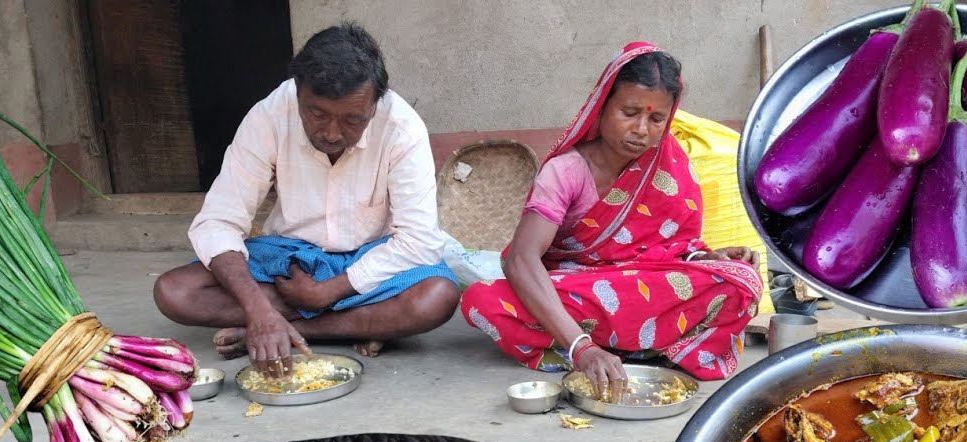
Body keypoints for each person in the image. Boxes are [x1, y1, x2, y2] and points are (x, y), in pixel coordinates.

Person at [459, 42, 764, 399]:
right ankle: (599, 349)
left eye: (656, 119)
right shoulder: (566, 171)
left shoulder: (669, 163)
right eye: (630, 112)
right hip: (580, 291)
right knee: (483, 300)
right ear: (602, 107)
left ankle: (622, 347)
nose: (641, 130)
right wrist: (581, 348)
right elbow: (520, 260)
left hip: (646, 288)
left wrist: (706, 259)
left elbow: (674, 248)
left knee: (742, 279)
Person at [153, 23, 460, 375]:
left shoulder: (402, 127)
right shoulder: (270, 115)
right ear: (297, 92)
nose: (331, 133)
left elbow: (418, 240)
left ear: (375, 106)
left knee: (438, 297)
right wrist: (257, 310)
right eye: (317, 114)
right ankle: (359, 323)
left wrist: (328, 292)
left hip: (372, 258)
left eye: (352, 120)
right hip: (289, 259)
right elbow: (218, 221)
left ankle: (295, 329)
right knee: (175, 291)